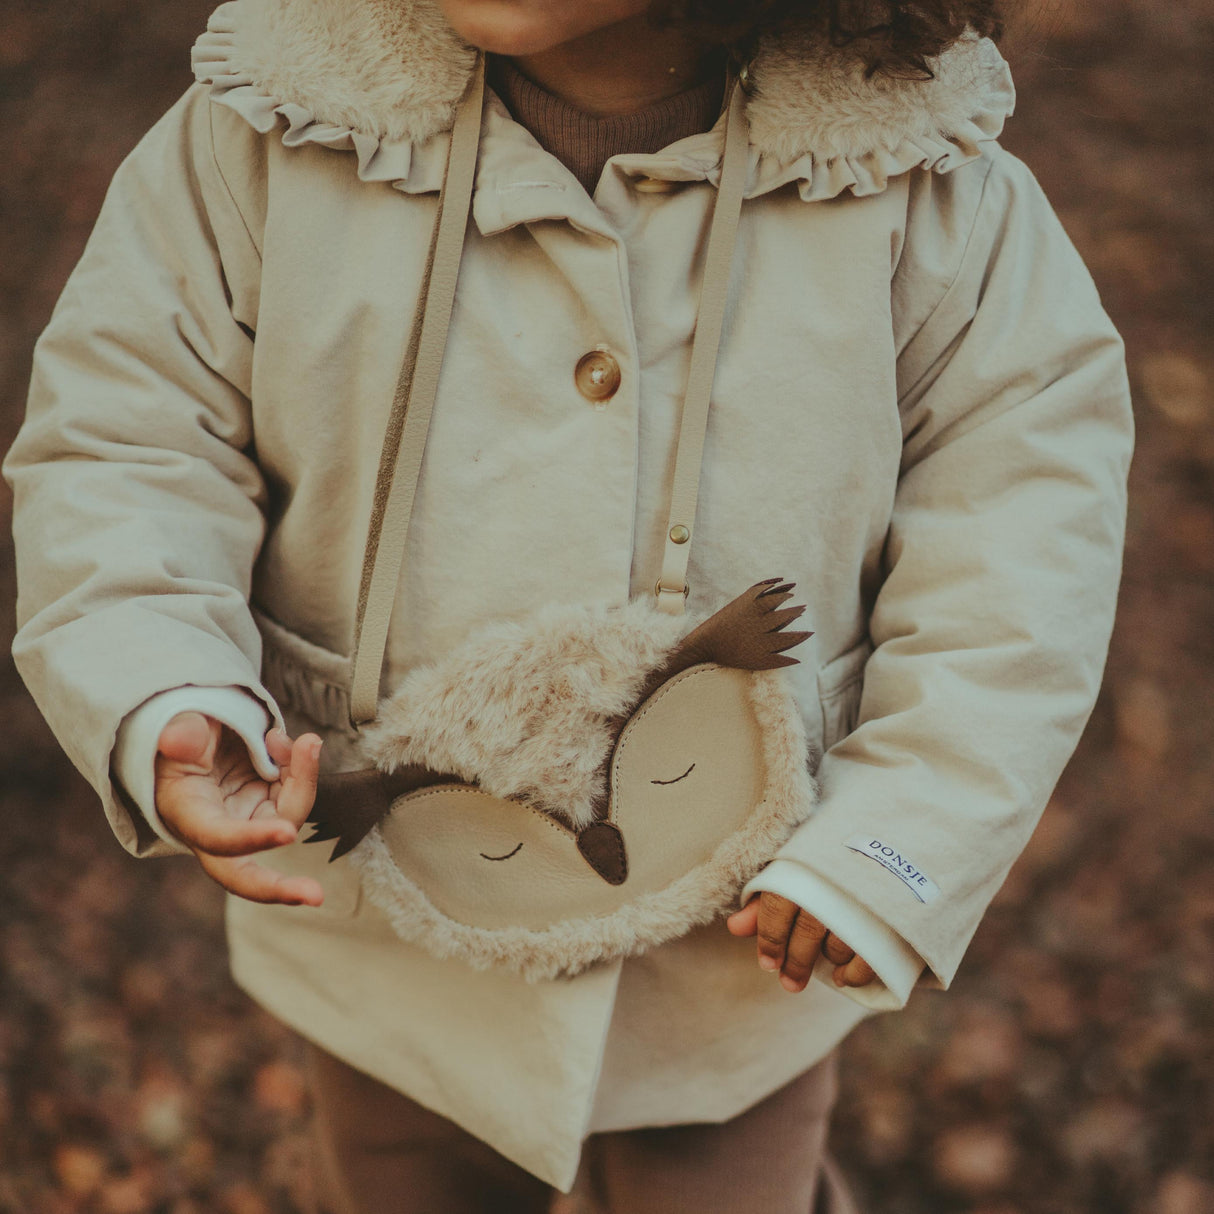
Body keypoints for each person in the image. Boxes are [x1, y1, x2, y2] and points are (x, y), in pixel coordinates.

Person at [4, 0, 1134, 1210]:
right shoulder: (264, 137)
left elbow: (1020, 552)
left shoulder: (923, 186)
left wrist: (897, 842)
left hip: (745, 947)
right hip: (399, 930)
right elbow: (127, 443)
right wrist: (161, 678)